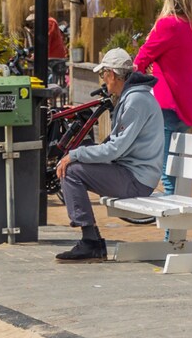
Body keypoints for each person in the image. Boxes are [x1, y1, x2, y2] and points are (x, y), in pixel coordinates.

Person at [54, 47, 168, 262]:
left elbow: (115, 149)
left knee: (70, 170)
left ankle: (90, 242)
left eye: (103, 75)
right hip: (132, 173)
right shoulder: (133, 97)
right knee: (74, 166)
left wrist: (76, 154)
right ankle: (91, 240)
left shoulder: (136, 102)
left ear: (112, 75)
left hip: (135, 179)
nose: (103, 81)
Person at [135, 0, 192, 194]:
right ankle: (175, 230)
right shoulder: (190, 24)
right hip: (187, 103)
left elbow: (140, 60)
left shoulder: (167, 24)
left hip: (168, 105)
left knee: (167, 174)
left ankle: (171, 231)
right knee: (175, 172)